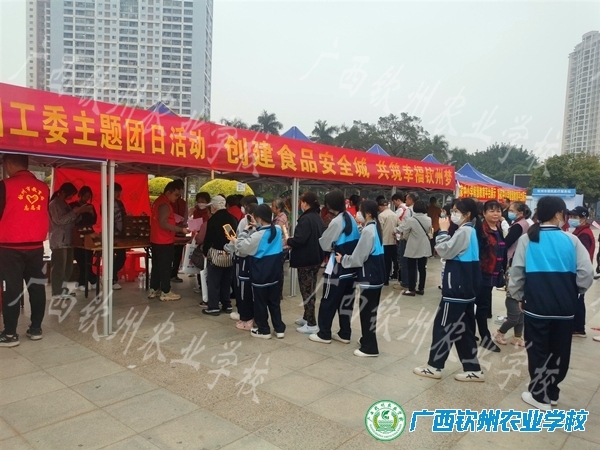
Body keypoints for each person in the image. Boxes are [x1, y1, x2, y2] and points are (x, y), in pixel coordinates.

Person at [509, 196, 593, 410]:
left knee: (537, 350)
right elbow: (586, 273)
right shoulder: (571, 240)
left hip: (536, 306)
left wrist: (518, 295)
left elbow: (517, 272)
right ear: (558, 214)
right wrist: (575, 291)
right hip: (565, 308)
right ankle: (552, 392)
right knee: (560, 350)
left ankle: (539, 395)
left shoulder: (528, 239)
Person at [414, 198, 485, 382]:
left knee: (443, 327)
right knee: (464, 330)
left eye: (455, 211)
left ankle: (434, 366)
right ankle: (473, 369)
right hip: (465, 290)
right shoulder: (470, 230)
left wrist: (443, 231)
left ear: (467, 214)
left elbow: (445, 250)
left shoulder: (464, 231)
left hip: (456, 290)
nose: (452, 215)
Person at [0, 154, 50, 347]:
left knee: (11, 289)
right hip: (36, 246)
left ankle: (10, 334)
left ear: (9, 164)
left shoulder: (5, 186)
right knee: (36, 287)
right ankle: (36, 328)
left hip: (10, 247)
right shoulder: (43, 188)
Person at [336, 200, 386, 357]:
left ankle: (370, 347)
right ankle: (366, 339)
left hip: (370, 276)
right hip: (376, 275)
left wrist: (343, 259)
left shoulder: (368, 231)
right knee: (370, 310)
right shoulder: (374, 226)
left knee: (367, 312)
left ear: (368, 213)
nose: (358, 214)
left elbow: (358, 257)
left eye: (360, 211)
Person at [310, 189, 360, 344]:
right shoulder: (350, 217)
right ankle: (345, 333)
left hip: (337, 267)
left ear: (330, 205)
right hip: (350, 267)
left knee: (328, 300)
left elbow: (324, 243)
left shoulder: (337, 221)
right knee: (346, 302)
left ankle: (324, 333)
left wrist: (332, 246)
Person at [234, 204, 285, 339]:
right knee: (274, 302)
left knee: (260, 303)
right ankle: (279, 328)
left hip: (260, 274)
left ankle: (264, 330)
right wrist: (257, 226)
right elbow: (267, 233)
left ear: (259, 218)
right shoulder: (277, 229)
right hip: (275, 274)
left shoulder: (258, 235)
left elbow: (241, 246)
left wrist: (245, 231)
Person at [286, 192, 325, 334]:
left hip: (306, 260)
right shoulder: (316, 217)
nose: (300, 204)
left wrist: (289, 240)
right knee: (310, 289)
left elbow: (299, 240)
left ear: (305, 203)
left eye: (301, 202)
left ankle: (311, 323)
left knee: (307, 291)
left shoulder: (306, 219)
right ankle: (306, 316)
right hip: (315, 259)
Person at [494, 201, 530, 346]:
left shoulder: (518, 226)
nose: (510, 212)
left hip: (513, 261)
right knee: (517, 310)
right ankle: (511, 335)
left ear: (520, 213)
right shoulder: (525, 224)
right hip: (519, 263)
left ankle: (512, 335)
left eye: (512, 210)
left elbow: (507, 242)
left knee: (518, 309)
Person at [49, 183, 93, 299]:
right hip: (59, 240)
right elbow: (59, 220)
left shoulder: (64, 204)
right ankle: (57, 292)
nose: (71, 197)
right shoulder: (54, 204)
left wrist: (81, 211)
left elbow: (72, 220)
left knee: (68, 267)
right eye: (70, 194)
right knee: (59, 267)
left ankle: (63, 289)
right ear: (63, 192)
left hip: (69, 239)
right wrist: (75, 211)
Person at [148, 181, 189, 302]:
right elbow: (163, 223)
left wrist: (176, 226)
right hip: (164, 241)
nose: (177, 198)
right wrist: (180, 229)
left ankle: (154, 289)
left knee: (157, 266)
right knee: (165, 267)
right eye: (176, 195)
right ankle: (166, 291)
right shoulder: (164, 204)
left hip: (157, 239)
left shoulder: (158, 202)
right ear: (168, 192)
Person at [475, 200, 505, 353]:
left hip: (494, 273)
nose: (495, 214)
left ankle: (469, 332)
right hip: (482, 274)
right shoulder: (480, 230)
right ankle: (485, 337)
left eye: (498, 211)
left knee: (482, 305)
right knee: (482, 306)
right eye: (492, 211)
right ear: (484, 213)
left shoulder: (498, 228)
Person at [202, 195, 238, 315]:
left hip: (216, 254)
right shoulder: (232, 218)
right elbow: (233, 237)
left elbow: (208, 239)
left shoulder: (213, 220)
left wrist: (205, 252)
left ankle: (213, 306)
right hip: (229, 254)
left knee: (214, 281)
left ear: (214, 207)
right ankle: (227, 304)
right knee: (226, 281)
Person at [225, 201, 258, 329]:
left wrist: (228, 247)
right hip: (255, 259)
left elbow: (238, 239)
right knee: (252, 290)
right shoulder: (266, 225)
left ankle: (245, 317)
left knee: (242, 289)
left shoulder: (245, 222)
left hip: (243, 258)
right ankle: (251, 317)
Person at [568, 206, 595, 338]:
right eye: (571, 217)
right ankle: (577, 327)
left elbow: (580, 256)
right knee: (578, 299)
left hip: (579, 271)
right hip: (578, 270)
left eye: (575, 217)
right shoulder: (580, 231)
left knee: (578, 300)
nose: (571, 219)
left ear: (584, 218)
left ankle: (578, 328)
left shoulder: (584, 234)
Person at [69, 186, 98, 291]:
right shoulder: (73, 205)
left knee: (88, 259)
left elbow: (94, 221)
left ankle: (83, 281)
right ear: (80, 195)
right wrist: (80, 210)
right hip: (77, 234)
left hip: (88, 233)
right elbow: (71, 219)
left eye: (88, 197)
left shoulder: (90, 206)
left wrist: (91, 212)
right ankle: (92, 279)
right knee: (80, 259)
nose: (86, 198)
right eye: (85, 196)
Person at [400, 200, 432, 296]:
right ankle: (421, 288)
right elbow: (429, 230)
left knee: (411, 268)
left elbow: (405, 233)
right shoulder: (428, 219)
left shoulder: (411, 220)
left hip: (413, 246)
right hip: (424, 245)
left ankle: (411, 289)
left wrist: (408, 239)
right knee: (422, 268)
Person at [396, 192, 417, 288]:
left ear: (411, 200)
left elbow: (405, 225)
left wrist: (395, 230)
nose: (405, 201)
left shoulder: (409, 211)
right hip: (415, 238)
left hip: (406, 238)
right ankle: (412, 281)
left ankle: (405, 282)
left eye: (407, 199)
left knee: (404, 260)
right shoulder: (418, 210)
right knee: (413, 261)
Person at [170, 179, 188, 284]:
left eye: (181, 188)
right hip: (170, 232)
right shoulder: (169, 201)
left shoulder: (183, 202)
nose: (180, 191)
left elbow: (185, 215)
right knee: (169, 255)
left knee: (178, 255)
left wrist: (184, 224)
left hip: (180, 232)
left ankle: (174, 274)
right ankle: (167, 274)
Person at [378, 198, 398, 285]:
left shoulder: (381, 216)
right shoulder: (395, 215)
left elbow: (380, 229)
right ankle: (395, 276)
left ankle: (385, 280)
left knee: (385, 262)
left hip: (385, 242)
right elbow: (400, 226)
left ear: (380, 207)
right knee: (393, 260)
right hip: (393, 242)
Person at [272, 198, 289, 298]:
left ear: (278, 208)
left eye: (273, 206)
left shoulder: (280, 219)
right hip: (283, 245)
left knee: (278, 270)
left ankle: (278, 293)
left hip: (281, 246)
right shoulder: (280, 216)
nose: (271, 208)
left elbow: (276, 233)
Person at [112, 183, 127, 290]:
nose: (119, 194)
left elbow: (124, 216)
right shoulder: (106, 203)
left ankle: (112, 275)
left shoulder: (119, 203)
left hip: (121, 234)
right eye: (117, 192)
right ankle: (112, 279)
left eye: (119, 192)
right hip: (111, 234)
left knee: (121, 257)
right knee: (111, 257)